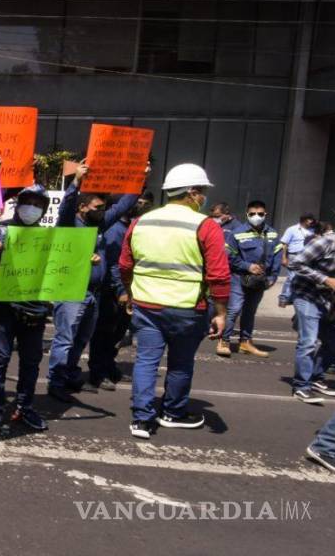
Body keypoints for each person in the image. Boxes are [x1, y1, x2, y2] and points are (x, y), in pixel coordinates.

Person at [119, 164, 230, 440]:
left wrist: (129, 293)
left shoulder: (140, 222)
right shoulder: (206, 226)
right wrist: (221, 312)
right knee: (181, 363)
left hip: (146, 304)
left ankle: (141, 420)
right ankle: (173, 412)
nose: (203, 198)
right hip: (187, 308)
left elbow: (125, 265)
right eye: (201, 192)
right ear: (192, 192)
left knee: (146, 361)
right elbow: (218, 275)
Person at [46, 161, 142, 401]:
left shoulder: (97, 225)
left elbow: (124, 205)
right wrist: (76, 181)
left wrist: (140, 178)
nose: (102, 210)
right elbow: (67, 205)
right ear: (82, 207)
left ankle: (69, 374)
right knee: (65, 338)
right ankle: (56, 382)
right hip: (71, 289)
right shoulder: (69, 223)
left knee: (81, 339)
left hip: (93, 293)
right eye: (97, 206)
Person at [0, 185, 55, 433]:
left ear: (43, 210)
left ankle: (25, 406)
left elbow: (57, 270)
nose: (31, 208)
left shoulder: (49, 238)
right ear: (18, 204)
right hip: (4, 310)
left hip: (35, 310)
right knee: (0, 359)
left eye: (37, 204)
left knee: (31, 361)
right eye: (27, 202)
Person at [92, 191, 154, 389]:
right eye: (136, 201)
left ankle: (109, 365)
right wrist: (121, 290)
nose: (140, 204)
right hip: (114, 291)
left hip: (130, 289)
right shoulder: (114, 229)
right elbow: (114, 264)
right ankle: (98, 372)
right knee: (104, 333)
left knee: (118, 333)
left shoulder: (133, 226)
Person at [218, 200, 282, 358]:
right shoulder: (237, 233)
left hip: (260, 280)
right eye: (252, 214)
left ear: (265, 214)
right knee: (234, 309)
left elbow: (277, 256)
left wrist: (273, 276)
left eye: (260, 214)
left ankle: (245, 343)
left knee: (250, 311)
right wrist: (247, 266)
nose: (256, 216)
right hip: (239, 277)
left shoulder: (272, 234)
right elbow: (228, 255)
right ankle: (224, 341)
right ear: (247, 214)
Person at [285, 218, 335, 404]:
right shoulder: (327, 242)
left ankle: (315, 378)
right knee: (308, 342)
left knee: (333, 342)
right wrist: (324, 279)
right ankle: (301, 386)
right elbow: (295, 264)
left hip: (327, 301)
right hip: (306, 295)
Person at [279, 213, 318, 307]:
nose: (311, 221)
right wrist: (284, 257)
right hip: (294, 256)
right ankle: (283, 298)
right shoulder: (292, 229)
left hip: (307, 257)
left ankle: (293, 298)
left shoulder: (312, 230)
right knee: (291, 277)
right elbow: (284, 244)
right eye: (310, 219)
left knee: (302, 278)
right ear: (304, 220)